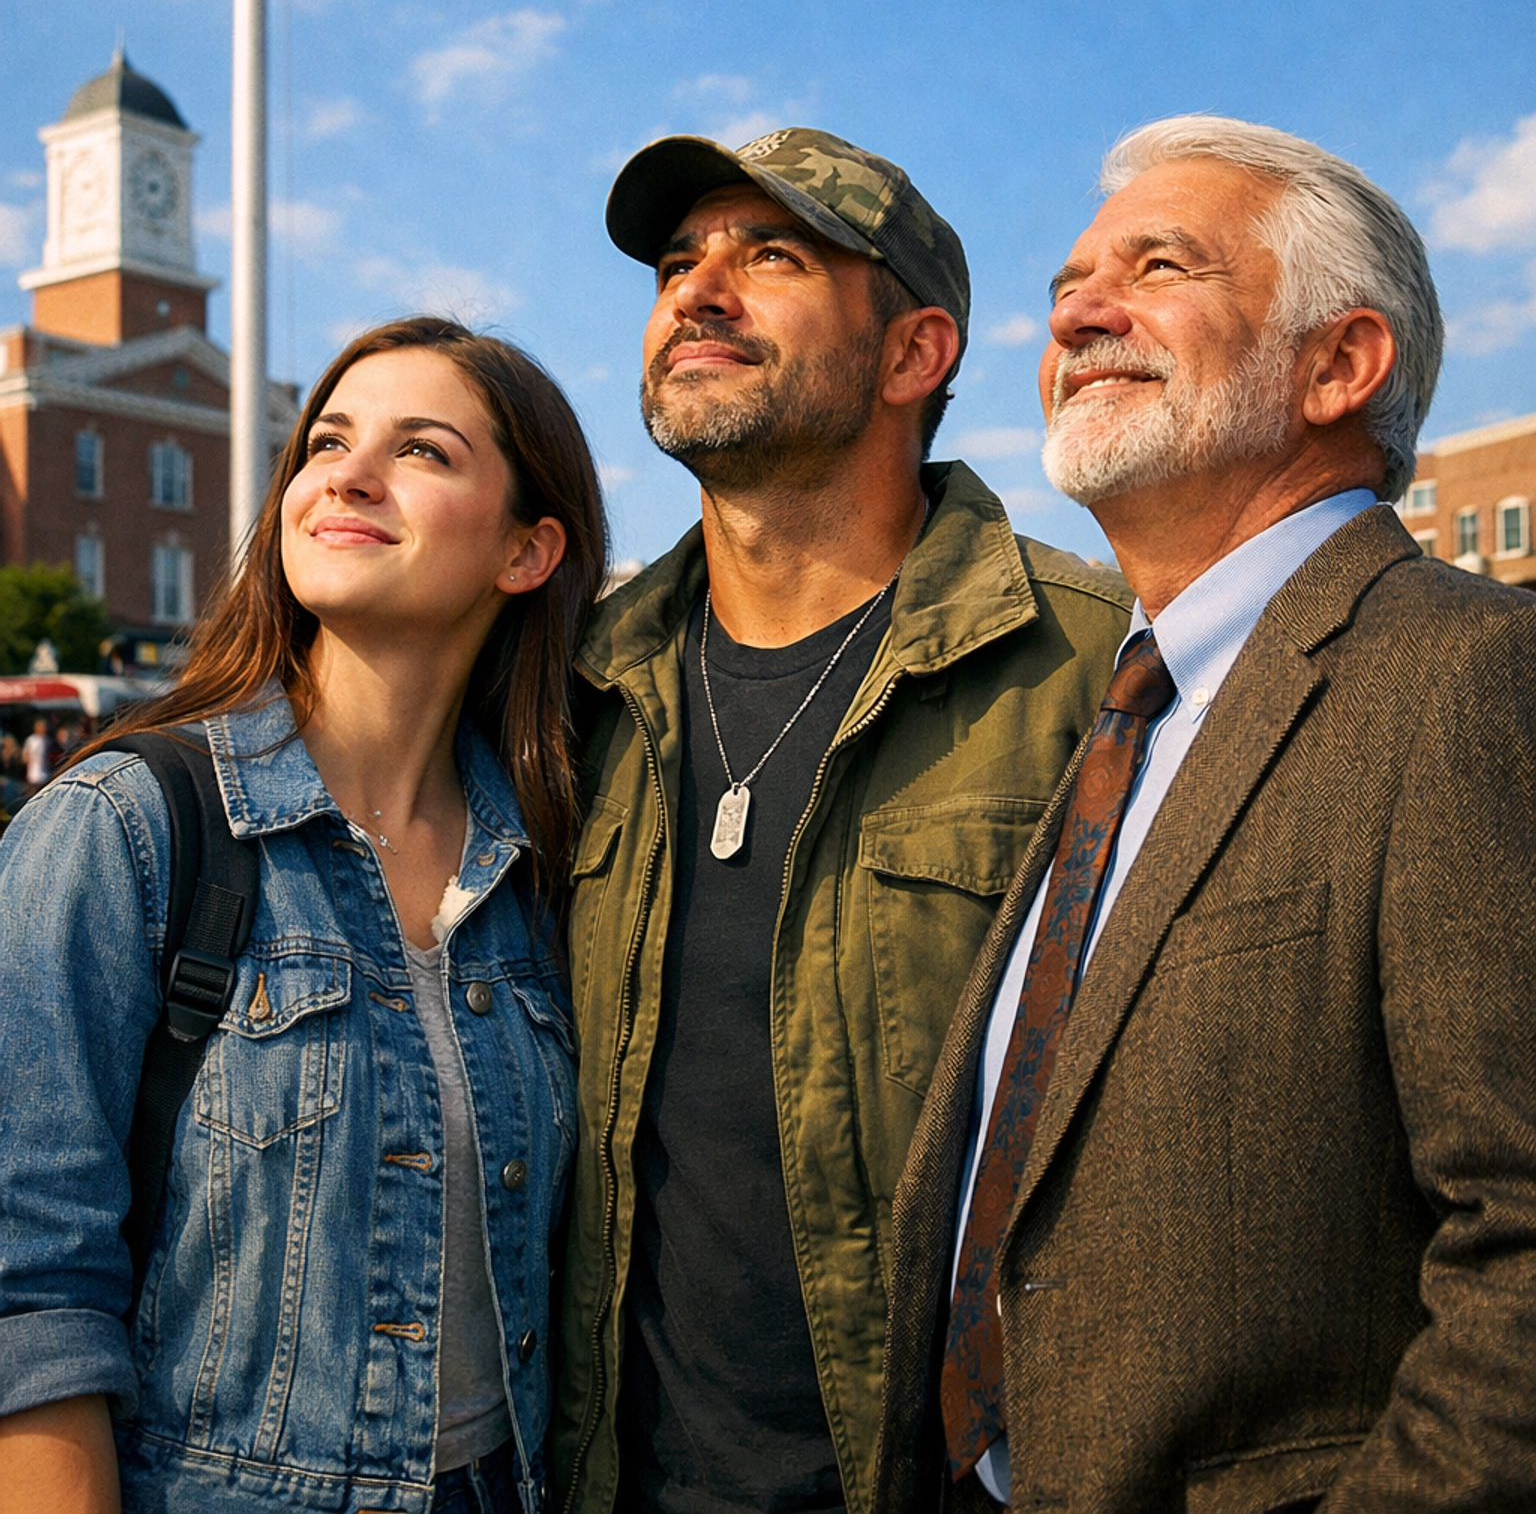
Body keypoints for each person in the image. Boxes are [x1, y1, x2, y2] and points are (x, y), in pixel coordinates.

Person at [874, 115, 1536, 1514]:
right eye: (1067, 289)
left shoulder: (1472, 678)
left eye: (1157, 265)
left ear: (1340, 365)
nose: (1078, 315)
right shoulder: (1131, 715)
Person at [552, 127, 1132, 1514]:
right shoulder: (577, 689)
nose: (699, 289)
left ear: (912, 356)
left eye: (774, 256)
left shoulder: (1097, 667)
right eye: (679, 261)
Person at [0, 316, 607, 1514]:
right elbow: (30, 1285)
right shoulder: (125, 826)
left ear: (529, 550)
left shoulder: (544, 866)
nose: (347, 471)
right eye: (326, 440)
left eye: (423, 451)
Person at [22, 717, 51, 790]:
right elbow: (25, 756)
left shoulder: (48, 741)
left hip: (45, 775)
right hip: (32, 776)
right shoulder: (30, 740)